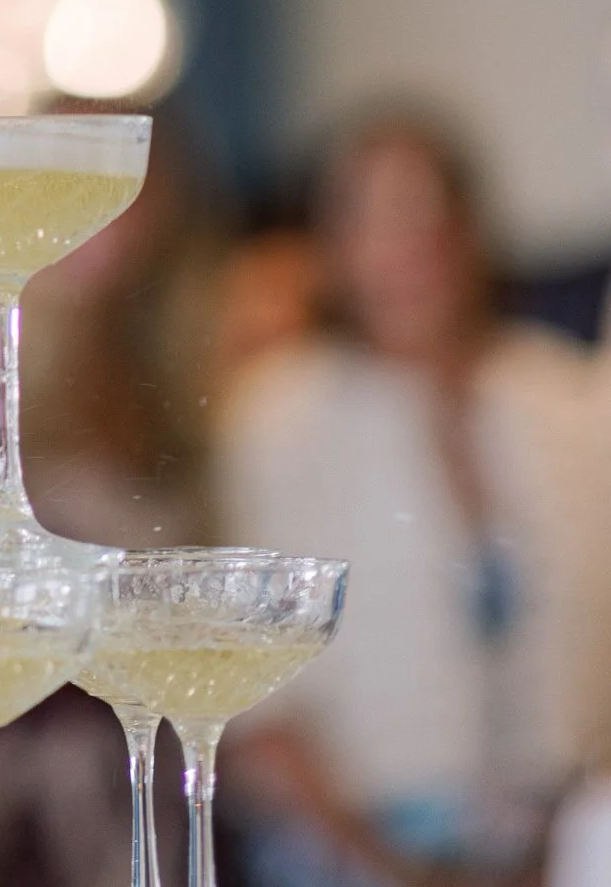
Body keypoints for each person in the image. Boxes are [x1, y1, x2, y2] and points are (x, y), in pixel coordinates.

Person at [217, 107, 611, 884]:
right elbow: (255, 697)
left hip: (564, 832)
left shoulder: (567, 400)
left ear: (471, 231)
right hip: (354, 841)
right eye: (370, 216)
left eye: (427, 212)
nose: (407, 248)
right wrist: (388, 866)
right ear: (330, 249)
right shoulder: (280, 418)